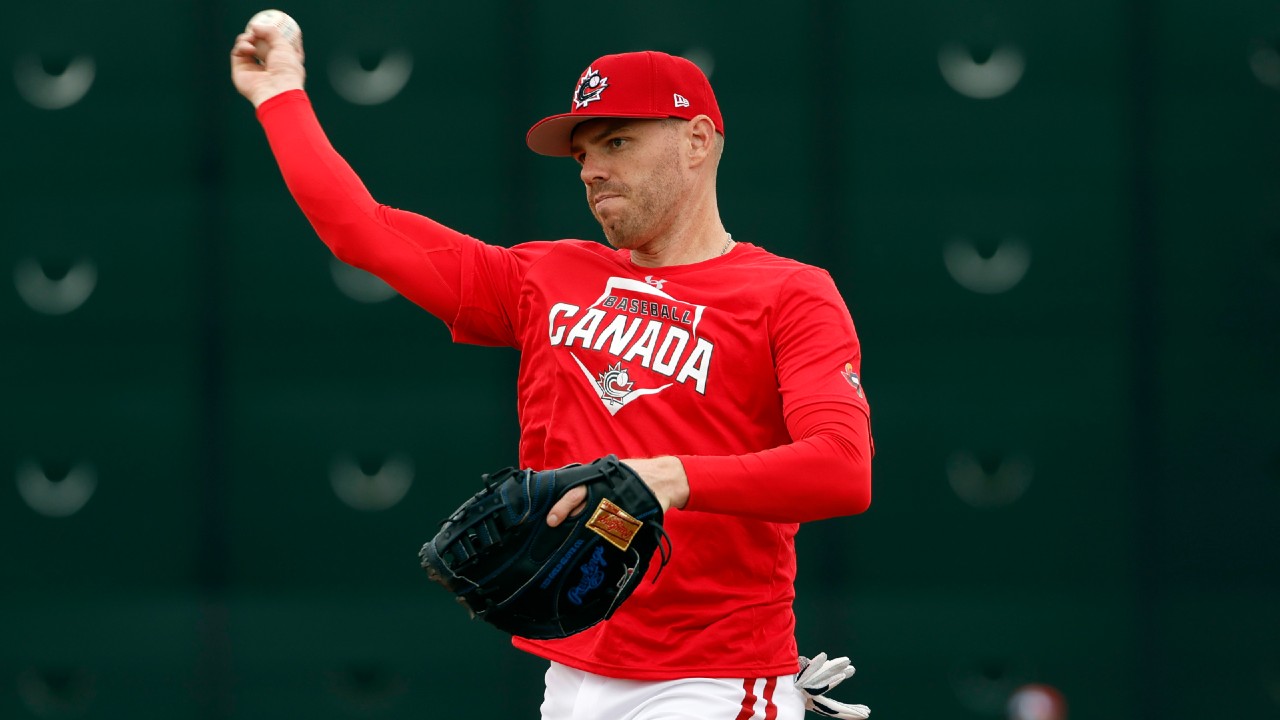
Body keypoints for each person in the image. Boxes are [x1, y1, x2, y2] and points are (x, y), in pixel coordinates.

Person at [232, 19, 873, 720]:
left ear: (697, 140)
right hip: (572, 673)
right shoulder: (546, 276)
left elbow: (842, 469)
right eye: (582, 154)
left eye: (618, 142)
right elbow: (359, 228)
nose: (593, 168)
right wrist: (280, 94)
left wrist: (668, 475)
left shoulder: (790, 292)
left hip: (714, 676)